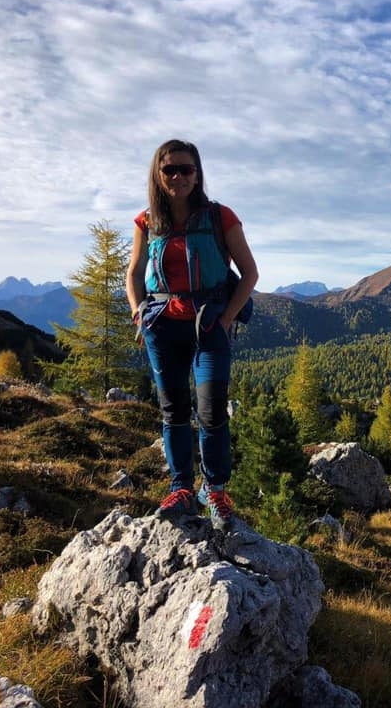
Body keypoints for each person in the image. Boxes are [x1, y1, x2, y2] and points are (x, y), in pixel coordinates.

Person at [126, 139, 258, 531]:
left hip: (209, 323)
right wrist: (137, 312)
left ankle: (213, 489)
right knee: (173, 410)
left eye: (186, 169)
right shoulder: (146, 222)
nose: (179, 176)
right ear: (158, 174)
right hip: (161, 324)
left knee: (212, 408)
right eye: (170, 170)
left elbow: (250, 273)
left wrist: (227, 318)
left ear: (198, 173)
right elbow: (134, 273)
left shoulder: (220, 217)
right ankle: (181, 487)